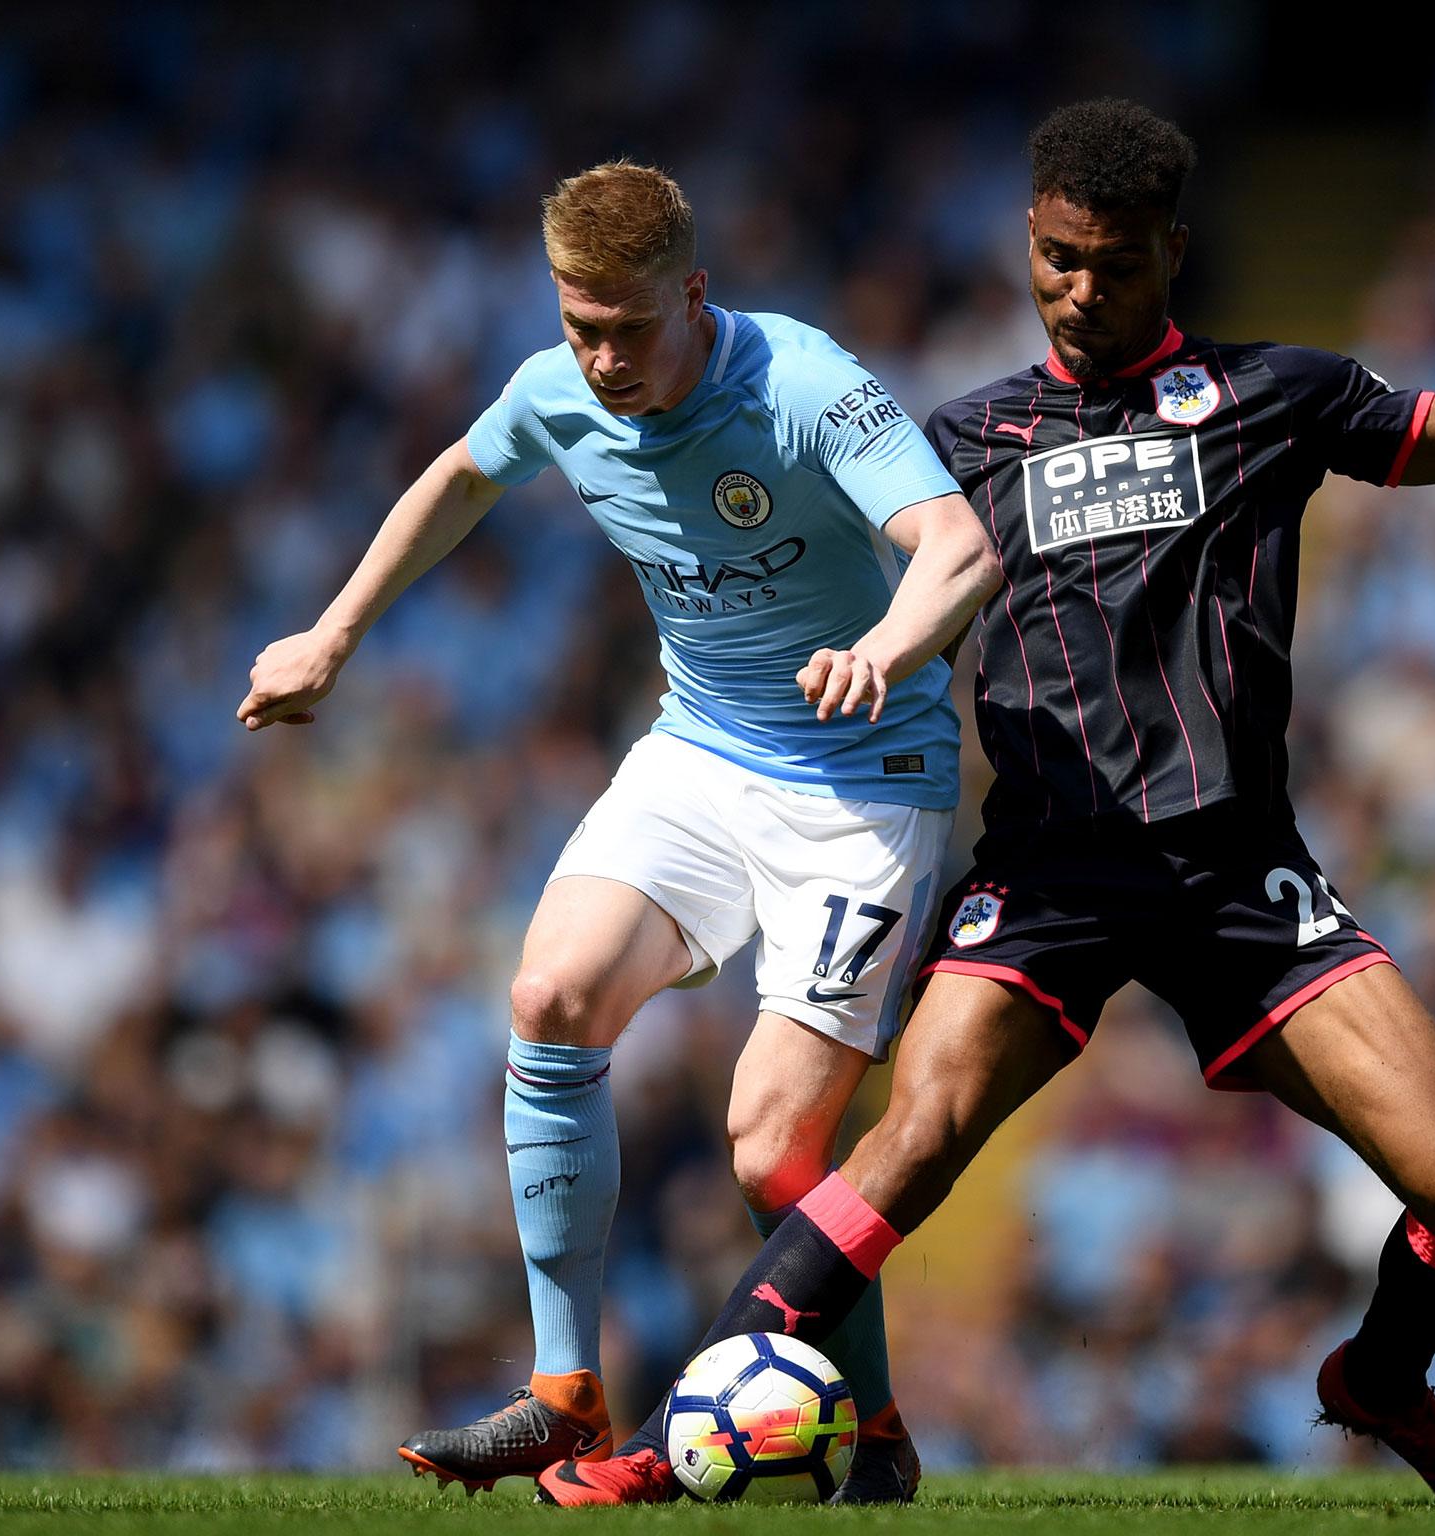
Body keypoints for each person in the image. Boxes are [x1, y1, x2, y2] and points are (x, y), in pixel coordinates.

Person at [533, 101, 1435, 1509]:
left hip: (1236, 871)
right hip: (1051, 871)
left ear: (1175, 254)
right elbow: (782, 565)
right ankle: (672, 1441)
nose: (1087, 291)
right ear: (1031, 241)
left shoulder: (1276, 396)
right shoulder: (955, 444)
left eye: (1121, 264)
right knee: (914, 1138)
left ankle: (1380, 1379)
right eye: (1064, 259)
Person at [235, 160, 998, 1503]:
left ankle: (871, 1436)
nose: (599, 358)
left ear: (695, 294)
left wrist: (882, 645)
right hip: (702, 752)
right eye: (578, 324)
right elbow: (458, 479)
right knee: (549, 991)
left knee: (772, 1151)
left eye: (628, 327)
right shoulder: (555, 390)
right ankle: (564, 1395)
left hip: (863, 775)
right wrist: (333, 633)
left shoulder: (802, 383)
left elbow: (957, 545)